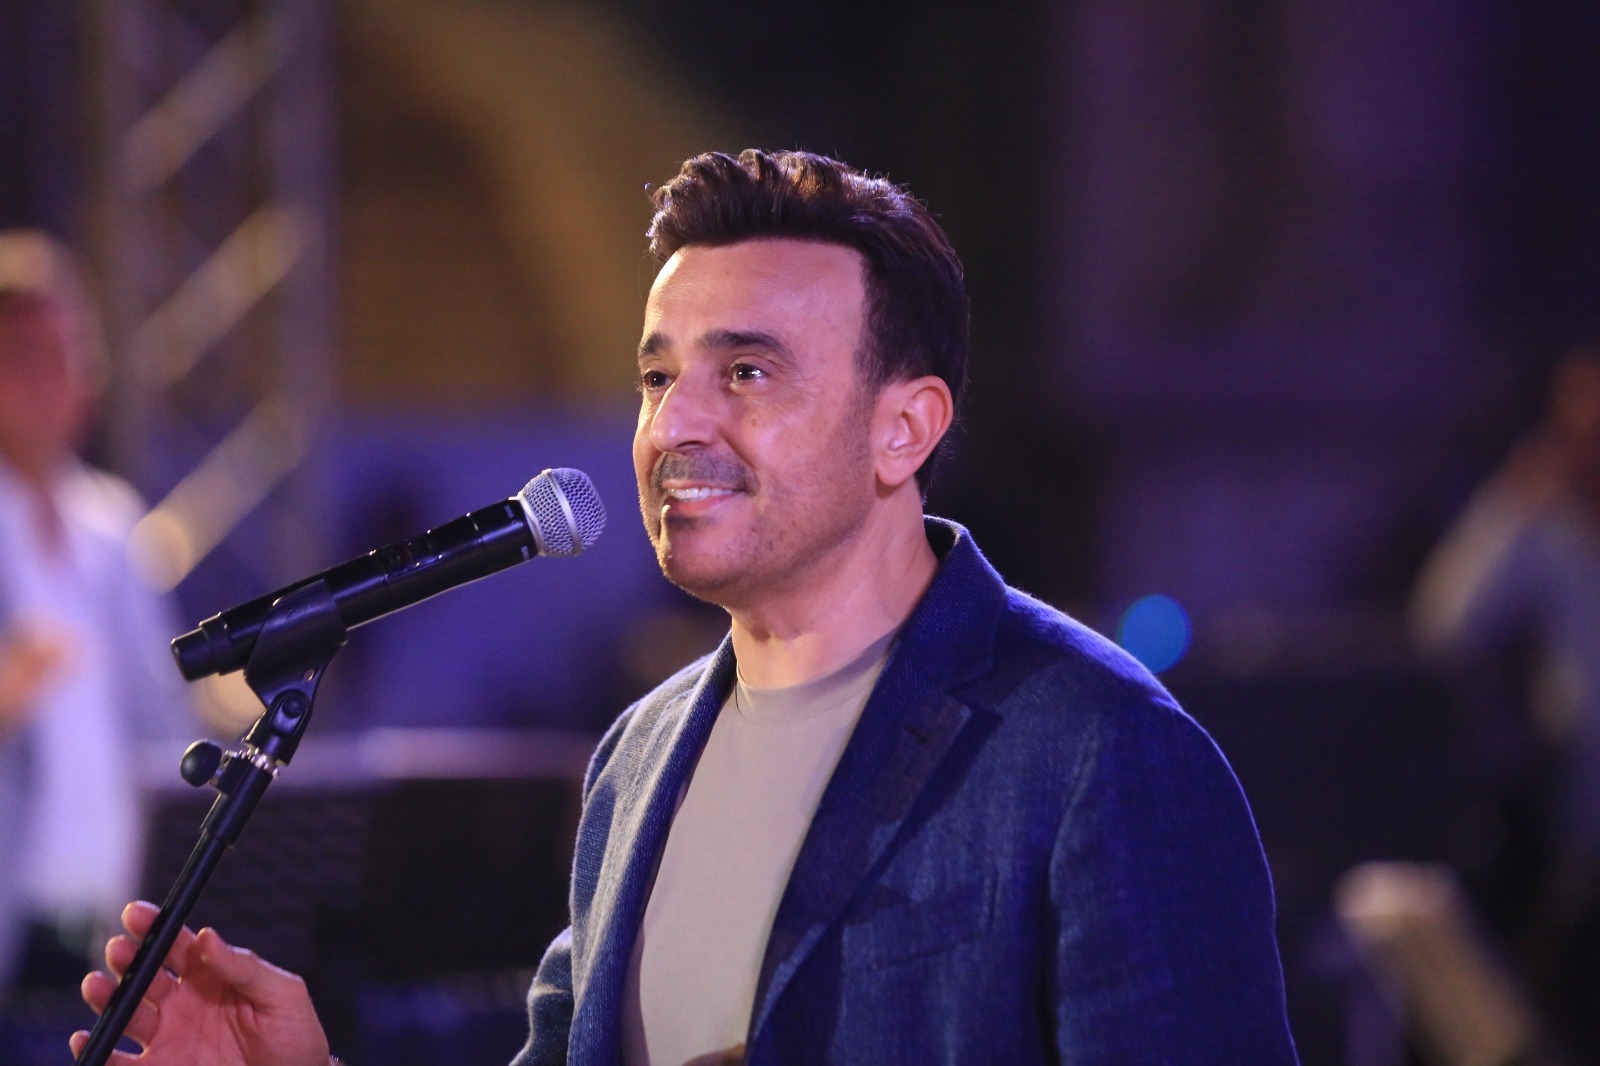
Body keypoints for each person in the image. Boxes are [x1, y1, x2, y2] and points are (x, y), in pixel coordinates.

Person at [74, 150, 1298, 1064]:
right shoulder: (638, 756)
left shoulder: (1097, 752)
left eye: (746, 372)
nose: (677, 424)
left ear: (905, 428)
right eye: (658, 375)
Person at [0, 231, 193, 999]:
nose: (53, 377)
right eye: (25, 354)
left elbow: (161, 725)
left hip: (114, 932)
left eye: (68, 351)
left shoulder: (112, 527)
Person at [1411, 346, 1600, 1054]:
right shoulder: (1547, 528)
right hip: (1575, 817)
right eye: (1578, 427)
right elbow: (1445, 623)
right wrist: (1513, 505)